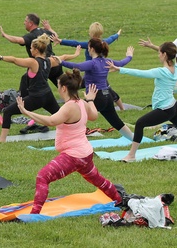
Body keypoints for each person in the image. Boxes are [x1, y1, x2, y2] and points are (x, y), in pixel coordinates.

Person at [16, 70, 122, 214]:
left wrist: (26, 111)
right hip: (85, 154)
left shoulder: (69, 106)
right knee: (98, 180)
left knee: (42, 176)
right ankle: (119, 200)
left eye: (58, 86)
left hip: (74, 156)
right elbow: (94, 115)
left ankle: (34, 214)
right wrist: (90, 100)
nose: (58, 89)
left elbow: (51, 121)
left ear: (64, 88)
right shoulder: (82, 103)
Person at [0, 34, 80, 142]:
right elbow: (63, 57)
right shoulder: (49, 61)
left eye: (31, 48)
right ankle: (77, 132)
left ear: (36, 50)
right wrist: (76, 54)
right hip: (48, 95)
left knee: (8, 111)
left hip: (36, 98)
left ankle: (2, 140)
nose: (30, 49)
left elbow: (15, 60)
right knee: (61, 116)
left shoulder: (33, 62)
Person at [107, 41, 177, 162]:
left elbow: (141, 73)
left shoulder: (162, 72)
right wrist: (152, 46)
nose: (158, 55)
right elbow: (172, 52)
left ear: (164, 55)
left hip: (165, 109)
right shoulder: (175, 68)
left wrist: (119, 69)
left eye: (159, 53)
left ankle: (131, 156)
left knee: (140, 123)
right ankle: (131, 155)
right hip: (173, 105)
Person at [59, 39, 134, 139]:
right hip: (107, 97)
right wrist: (129, 56)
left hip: (96, 97)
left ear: (92, 49)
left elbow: (77, 66)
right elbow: (121, 63)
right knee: (117, 122)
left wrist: (60, 61)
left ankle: (68, 139)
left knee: (74, 116)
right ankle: (134, 139)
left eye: (89, 47)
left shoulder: (93, 63)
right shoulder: (107, 61)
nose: (88, 49)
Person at [45, 20, 125, 110]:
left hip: (91, 75)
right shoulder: (103, 43)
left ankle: (75, 103)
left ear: (90, 33)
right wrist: (117, 34)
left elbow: (75, 43)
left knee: (74, 86)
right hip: (97, 73)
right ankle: (122, 108)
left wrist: (61, 41)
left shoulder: (89, 44)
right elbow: (111, 38)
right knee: (108, 90)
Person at [0, 13, 62, 95]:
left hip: (40, 66)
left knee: (26, 80)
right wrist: (49, 28)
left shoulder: (32, 36)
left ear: (31, 23)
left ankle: (22, 100)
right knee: (65, 85)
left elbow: (18, 40)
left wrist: (5, 35)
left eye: (25, 21)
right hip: (54, 63)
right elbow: (55, 36)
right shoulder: (44, 32)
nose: (24, 23)